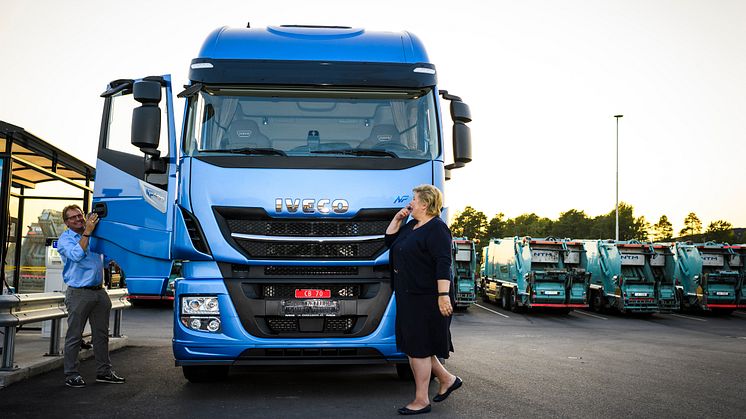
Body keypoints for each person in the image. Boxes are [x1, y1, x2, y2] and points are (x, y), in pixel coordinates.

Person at [385, 185, 463, 415]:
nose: (410, 202)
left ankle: (421, 400)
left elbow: (443, 264)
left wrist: (442, 296)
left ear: (425, 204)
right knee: (418, 347)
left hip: (427, 298)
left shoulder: (437, 229)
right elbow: (389, 241)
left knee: (418, 349)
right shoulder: (412, 226)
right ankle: (448, 379)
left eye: (414, 199)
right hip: (409, 296)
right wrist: (398, 218)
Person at [57, 204, 125, 388]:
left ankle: (104, 372)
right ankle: (71, 374)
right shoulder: (65, 239)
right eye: (73, 218)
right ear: (66, 222)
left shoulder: (94, 236)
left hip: (99, 292)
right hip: (79, 293)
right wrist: (87, 232)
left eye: (79, 215)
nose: (78, 219)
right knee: (75, 336)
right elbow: (77, 255)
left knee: (101, 335)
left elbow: (104, 258)